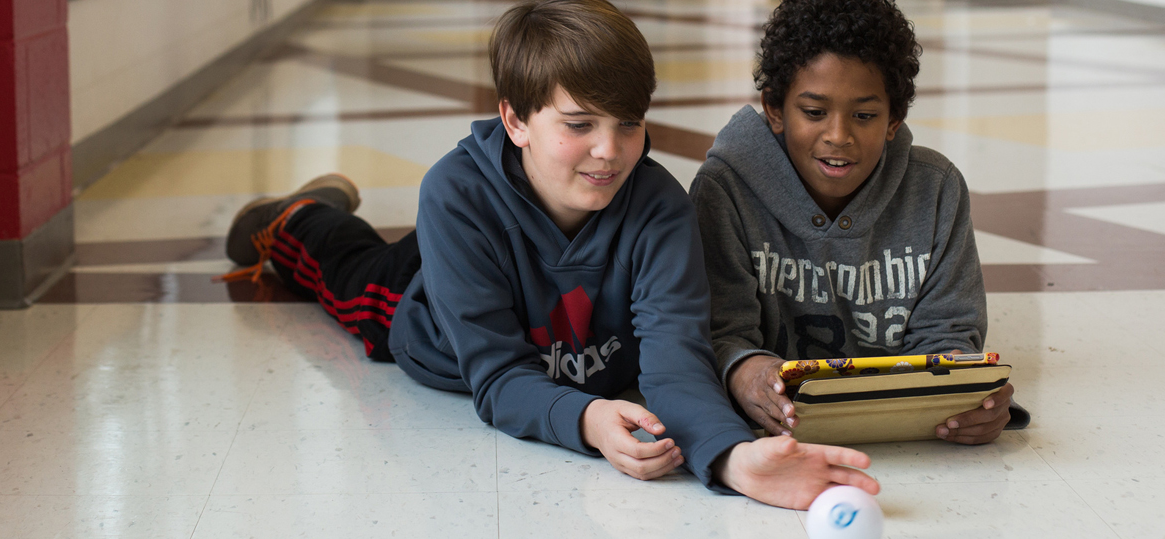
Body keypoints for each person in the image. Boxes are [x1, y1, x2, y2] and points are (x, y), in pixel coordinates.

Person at [219, 0, 878, 510]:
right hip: (427, 307)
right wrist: (587, 418)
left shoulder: (657, 206)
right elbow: (500, 377)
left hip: (533, 282)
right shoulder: (453, 195)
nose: (610, 150)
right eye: (579, 123)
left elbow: (677, 364)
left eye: (628, 122)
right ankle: (296, 217)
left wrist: (732, 458)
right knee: (348, 273)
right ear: (515, 120)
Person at [690, 0, 1026, 444]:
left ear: (894, 119)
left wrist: (969, 398)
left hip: (908, 442)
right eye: (813, 112)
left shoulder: (937, 189)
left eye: (865, 115)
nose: (838, 135)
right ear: (774, 109)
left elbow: (948, 333)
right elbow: (720, 332)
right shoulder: (724, 190)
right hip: (776, 437)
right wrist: (745, 371)